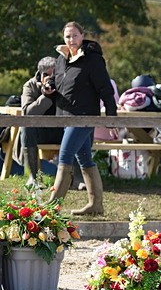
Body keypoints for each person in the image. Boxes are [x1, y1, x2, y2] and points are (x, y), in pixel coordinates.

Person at [47, 21, 118, 213]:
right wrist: (48, 86)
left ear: (82, 36)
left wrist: (111, 116)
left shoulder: (92, 59)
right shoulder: (61, 59)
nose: (71, 40)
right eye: (67, 36)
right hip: (65, 116)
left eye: (75, 35)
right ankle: (96, 205)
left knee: (65, 156)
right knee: (84, 158)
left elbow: (105, 89)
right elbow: (57, 82)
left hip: (84, 117)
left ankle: (52, 206)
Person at [19, 57, 64, 185]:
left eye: (54, 75)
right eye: (47, 75)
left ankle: (77, 177)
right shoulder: (31, 85)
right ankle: (34, 177)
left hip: (62, 130)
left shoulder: (65, 83)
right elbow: (28, 112)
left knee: (77, 127)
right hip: (40, 132)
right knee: (26, 126)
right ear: (41, 74)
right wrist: (45, 96)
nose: (51, 78)